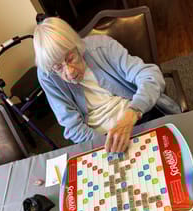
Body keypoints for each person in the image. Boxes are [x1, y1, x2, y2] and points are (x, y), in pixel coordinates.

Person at [33, 17, 181, 153]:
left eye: (70, 58)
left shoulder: (102, 46)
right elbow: (72, 127)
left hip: (138, 116)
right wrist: (108, 143)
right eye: (59, 67)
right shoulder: (47, 75)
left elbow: (151, 75)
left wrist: (131, 114)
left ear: (77, 46)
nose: (70, 72)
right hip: (99, 140)